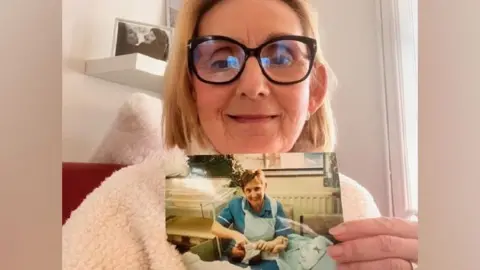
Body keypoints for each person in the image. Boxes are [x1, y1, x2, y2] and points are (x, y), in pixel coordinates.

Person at [62, 0, 418, 269]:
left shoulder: (354, 204)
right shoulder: (123, 205)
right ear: (192, 90)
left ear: (315, 91)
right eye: (221, 60)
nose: (252, 86)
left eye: (280, 57)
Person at [211, 169, 291, 269]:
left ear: (265, 186)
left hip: (266, 257)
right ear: (243, 191)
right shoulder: (235, 205)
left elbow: (283, 236)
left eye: (257, 189)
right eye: (248, 190)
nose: (253, 195)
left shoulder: (275, 206)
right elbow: (215, 228)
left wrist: (271, 244)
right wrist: (236, 235)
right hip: (240, 256)